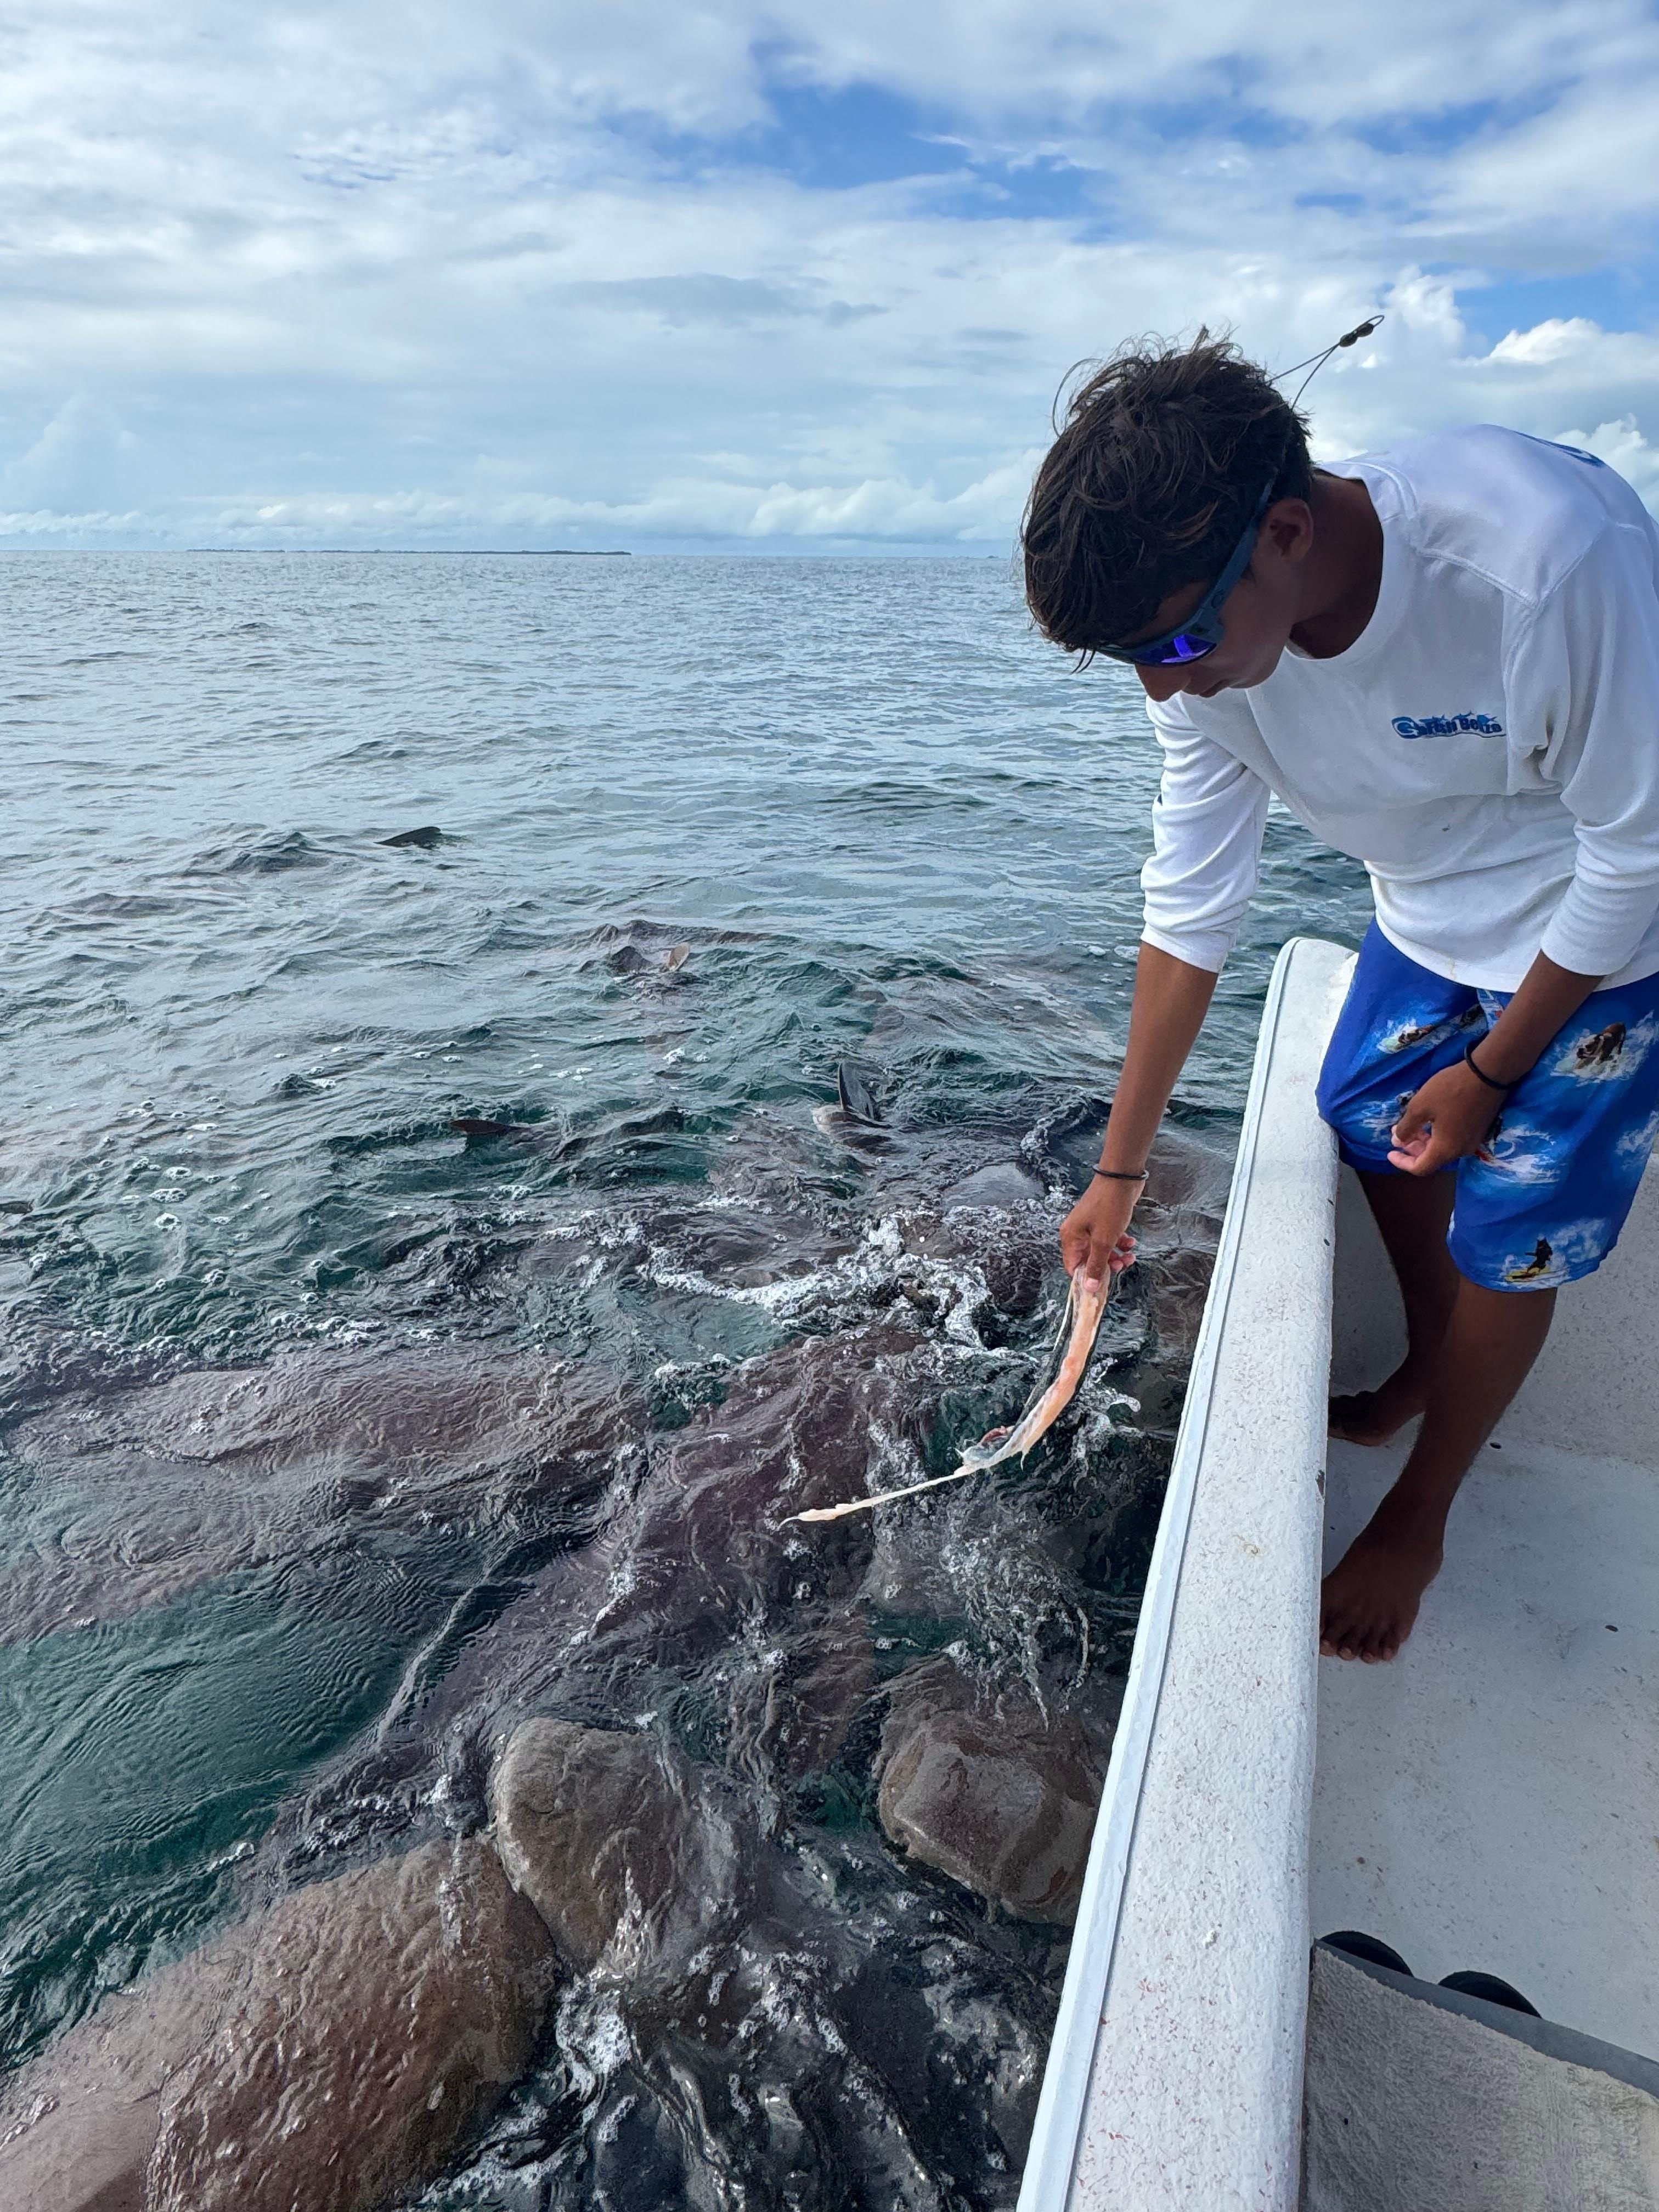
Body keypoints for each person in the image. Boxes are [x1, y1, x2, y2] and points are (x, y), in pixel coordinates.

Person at [1020, 331, 1659, 1663]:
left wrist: (1492, 1077)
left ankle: (1425, 1511)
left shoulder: (1545, 558)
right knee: (1366, 1105)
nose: (1165, 683)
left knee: (1512, 1222)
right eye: (1132, 660)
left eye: (1180, 638)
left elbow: (1639, 849)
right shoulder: (1195, 657)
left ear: (1292, 532)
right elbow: (1192, 902)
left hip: (1616, 916)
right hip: (1431, 905)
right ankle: (1436, 1354)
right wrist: (1117, 1175)